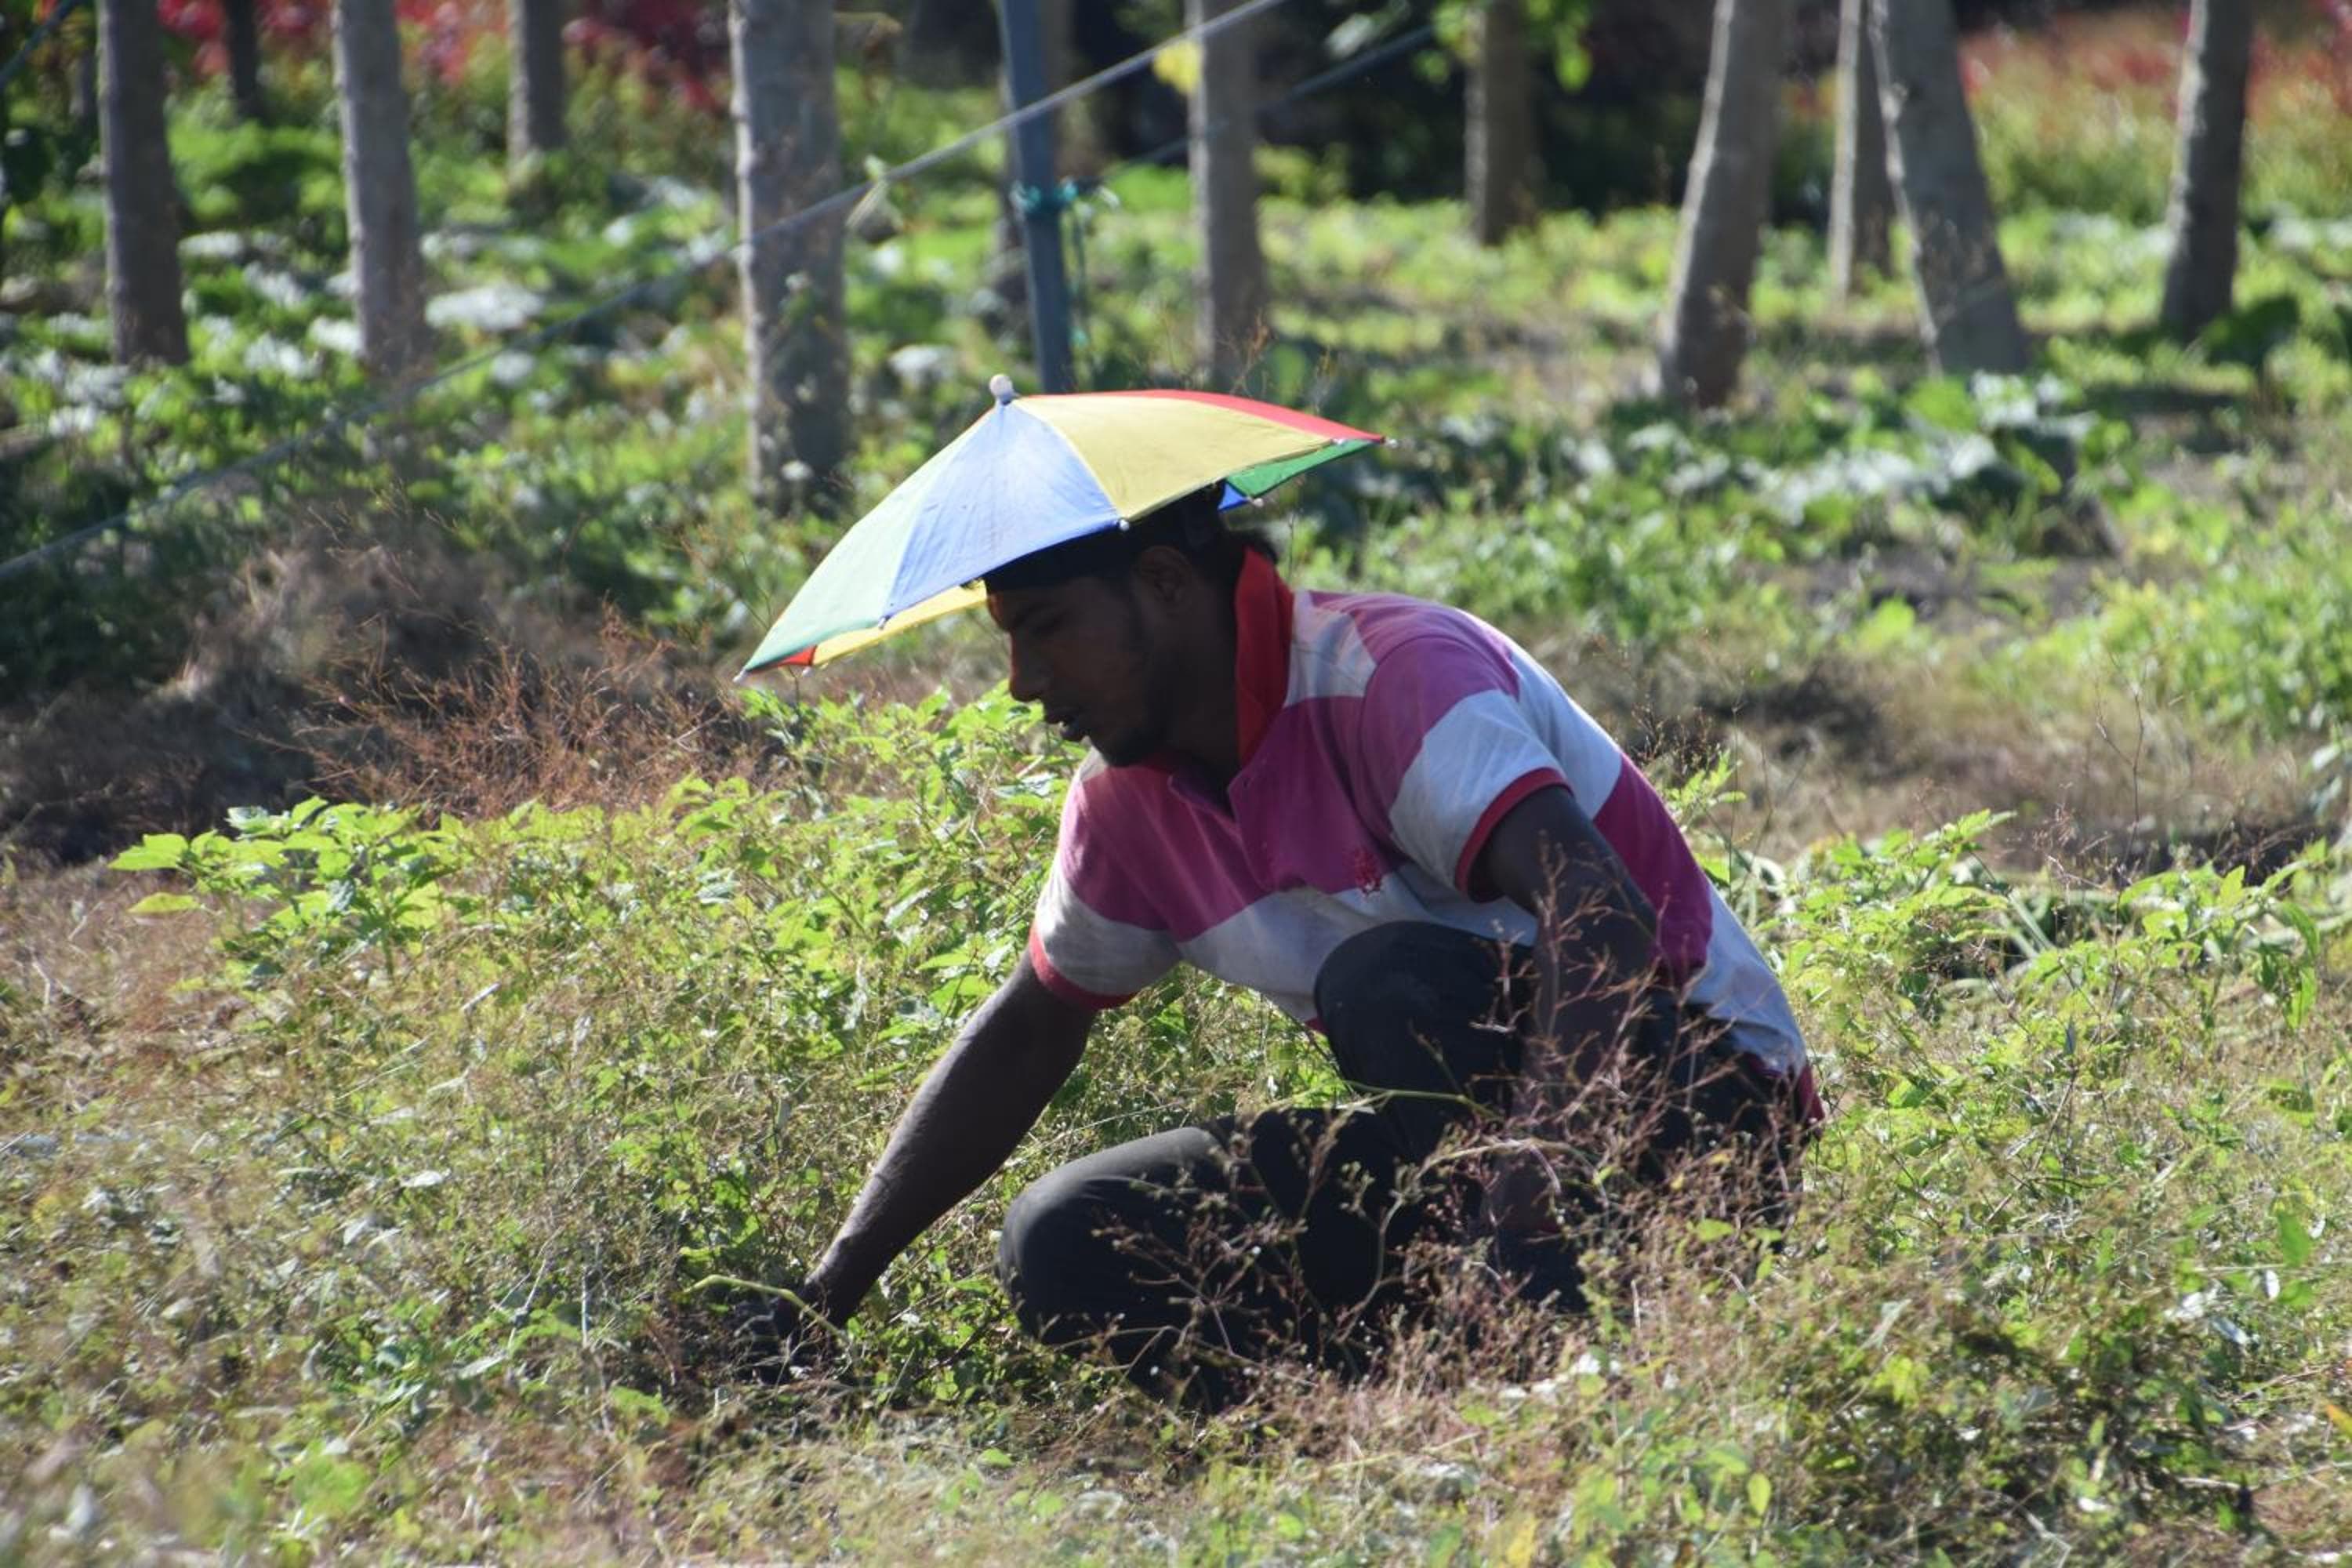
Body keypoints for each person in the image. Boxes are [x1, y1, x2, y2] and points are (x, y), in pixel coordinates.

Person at [753, 485, 1821, 1408]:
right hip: (1473, 1154)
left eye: (1046, 627)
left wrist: (1526, 1203)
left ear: (1166, 582)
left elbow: (1600, 917)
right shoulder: (1127, 803)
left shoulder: (1391, 675)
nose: (1024, 681)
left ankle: (1574, 1334)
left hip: (1711, 1111)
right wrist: (829, 1292)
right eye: (1009, 643)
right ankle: (1407, 1415)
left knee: (1386, 985)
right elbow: (1032, 1030)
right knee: (1062, 1238)